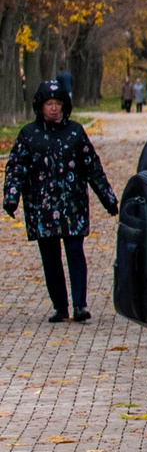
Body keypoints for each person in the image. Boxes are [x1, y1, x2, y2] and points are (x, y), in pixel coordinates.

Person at [3, 77, 118, 322]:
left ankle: (79, 305)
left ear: (65, 105)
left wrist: (107, 198)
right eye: (48, 104)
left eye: (57, 103)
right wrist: (11, 198)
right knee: (50, 258)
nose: (53, 108)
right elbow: (16, 168)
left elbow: (92, 167)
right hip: (41, 209)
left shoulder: (75, 132)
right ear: (40, 106)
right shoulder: (29, 135)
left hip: (72, 206)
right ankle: (60, 306)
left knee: (75, 252)